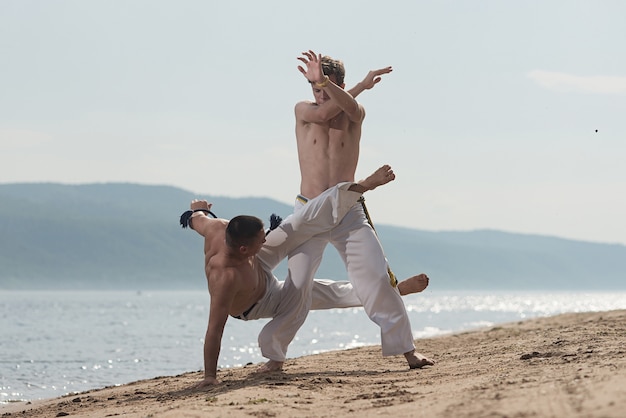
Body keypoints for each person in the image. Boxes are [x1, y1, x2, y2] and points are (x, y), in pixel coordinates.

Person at [256, 50, 434, 373]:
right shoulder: (303, 111)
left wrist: (354, 88)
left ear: (340, 83)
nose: (319, 94)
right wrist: (358, 85)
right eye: (314, 87)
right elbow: (323, 114)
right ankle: (275, 358)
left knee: (377, 275)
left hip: (346, 208)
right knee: (297, 287)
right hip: (308, 210)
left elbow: (347, 106)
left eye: (325, 86)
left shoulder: (356, 114)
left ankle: (407, 351)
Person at [185, 166, 430, 388]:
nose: (266, 240)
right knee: (304, 289)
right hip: (258, 302)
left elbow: (196, 218)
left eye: (264, 236)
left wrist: (198, 209)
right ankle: (391, 291)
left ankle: (359, 188)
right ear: (243, 249)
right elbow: (214, 329)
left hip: (257, 265)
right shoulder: (225, 278)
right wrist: (209, 376)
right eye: (262, 239)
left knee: (298, 223)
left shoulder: (218, 228)